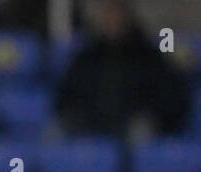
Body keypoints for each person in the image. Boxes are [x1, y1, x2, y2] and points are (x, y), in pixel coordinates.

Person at [54, 0, 188, 141]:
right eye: (108, 13)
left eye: (117, 13)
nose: (113, 19)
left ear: (127, 16)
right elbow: (65, 98)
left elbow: (169, 99)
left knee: (141, 132)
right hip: (90, 125)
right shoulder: (86, 58)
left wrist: (148, 116)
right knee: (57, 133)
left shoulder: (149, 57)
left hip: (132, 125)